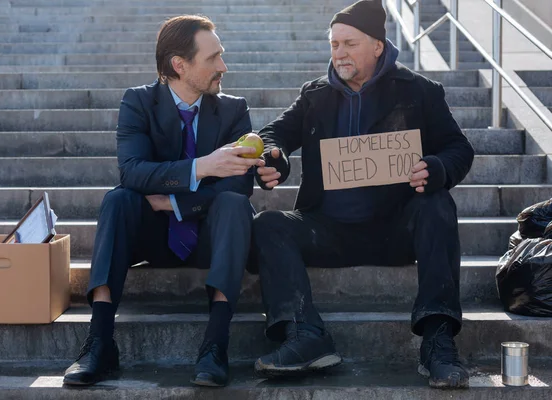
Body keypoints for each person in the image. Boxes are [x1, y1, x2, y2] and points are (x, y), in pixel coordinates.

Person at [252, 0, 474, 389]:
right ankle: (306, 335)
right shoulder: (314, 95)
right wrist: (276, 159)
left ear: (377, 45)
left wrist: (436, 169)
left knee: (437, 202)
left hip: (393, 228)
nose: (339, 53)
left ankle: (438, 340)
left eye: (349, 44)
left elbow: (459, 149)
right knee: (270, 223)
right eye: (334, 44)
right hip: (328, 229)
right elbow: (273, 136)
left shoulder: (420, 91)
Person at [63, 15, 264, 388]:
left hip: (210, 236)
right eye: (213, 57)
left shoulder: (234, 109)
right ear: (179, 65)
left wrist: (174, 203)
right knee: (118, 200)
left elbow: (238, 184)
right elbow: (133, 173)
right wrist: (202, 167)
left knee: (235, 205)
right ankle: (100, 342)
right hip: (152, 238)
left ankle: (215, 345)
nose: (224, 66)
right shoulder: (138, 102)